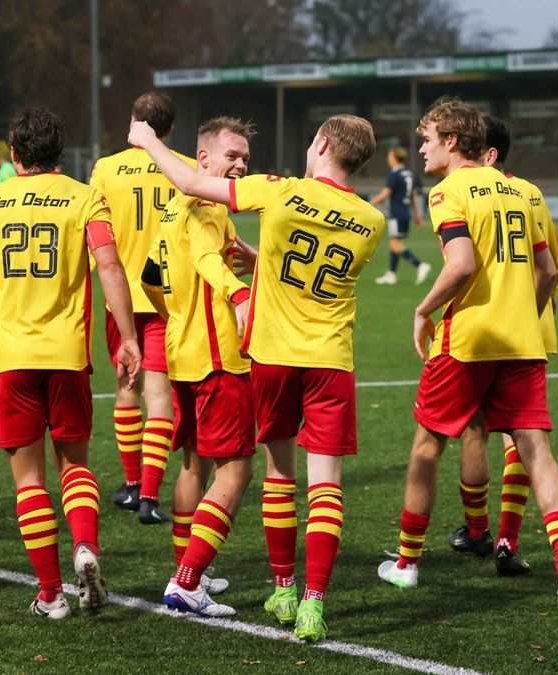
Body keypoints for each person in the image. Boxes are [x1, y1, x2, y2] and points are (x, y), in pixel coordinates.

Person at [131, 113, 385, 641]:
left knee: (275, 475)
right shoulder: (371, 221)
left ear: (320, 143)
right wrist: (258, 258)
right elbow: (313, 268)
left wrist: (149, 139)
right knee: (326, 487)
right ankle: (314, 603)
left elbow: (188, 182)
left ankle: (284, 588)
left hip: (271, 356)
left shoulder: (281, 191)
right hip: (330, 359)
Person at [377, 98, 558, 607]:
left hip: (468, 341)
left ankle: (406, 564)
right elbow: (549, 272)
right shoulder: (525, 191)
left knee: (427, 448)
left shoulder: (449, 190)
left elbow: (461, 264)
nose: (420, 148)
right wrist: (524, 315)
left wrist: (424, 309)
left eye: (426, 138)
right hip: (523, 342)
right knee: (536, 451)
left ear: (452, 141)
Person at [0, 107, 141, 619]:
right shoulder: (84, 198)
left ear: (14, 154)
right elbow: (109, 266)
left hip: (10, 358)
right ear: (59, 152)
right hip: (67, 354)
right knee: (74, 464)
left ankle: (51, 594)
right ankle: (84, 547)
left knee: (28, 481)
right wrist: (127, 338)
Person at [137, 116, 254, 618]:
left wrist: (173, 316)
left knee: (192, 462)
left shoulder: (173, 207)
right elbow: (207, 258)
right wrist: (239, 290)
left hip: (182, 352)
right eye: (232, 157)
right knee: (237, 468)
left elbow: (148, 278)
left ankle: (191, 567)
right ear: (203, 160)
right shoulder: (208, 207)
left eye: (245, 158)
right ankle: (187, 580)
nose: (241, 165)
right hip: (219, 356)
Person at [447, 116, 558, 577]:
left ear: (487, 154)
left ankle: (477, 531)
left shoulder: (464, 192)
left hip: (480, 328)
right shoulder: (530, 193)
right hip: (531, 325)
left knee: (473, 428)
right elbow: (553, 265)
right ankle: (506, 540)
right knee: (525, 437)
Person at [90, 92, 193, 523]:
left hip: (122, 297)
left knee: (126, 390)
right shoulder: (186, 166)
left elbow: (96, 233)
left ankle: (133, 485)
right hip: (168, 295)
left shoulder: (106, 168)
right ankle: (149, 496)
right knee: (159, 395)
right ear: (168, 129)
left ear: (134, 123)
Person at [371, 147, 430, 285]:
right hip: (406, 213)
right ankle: (392, 274)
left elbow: (386, 194)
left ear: (395, 157)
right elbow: (413, 196)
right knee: (396, 242)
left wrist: (369, 204)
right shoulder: (408, 173)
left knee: (395, 243)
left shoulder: (394, 174)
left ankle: (420, 265)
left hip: (397, 213)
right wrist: (417, 215)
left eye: (390, 156)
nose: (388, 158)